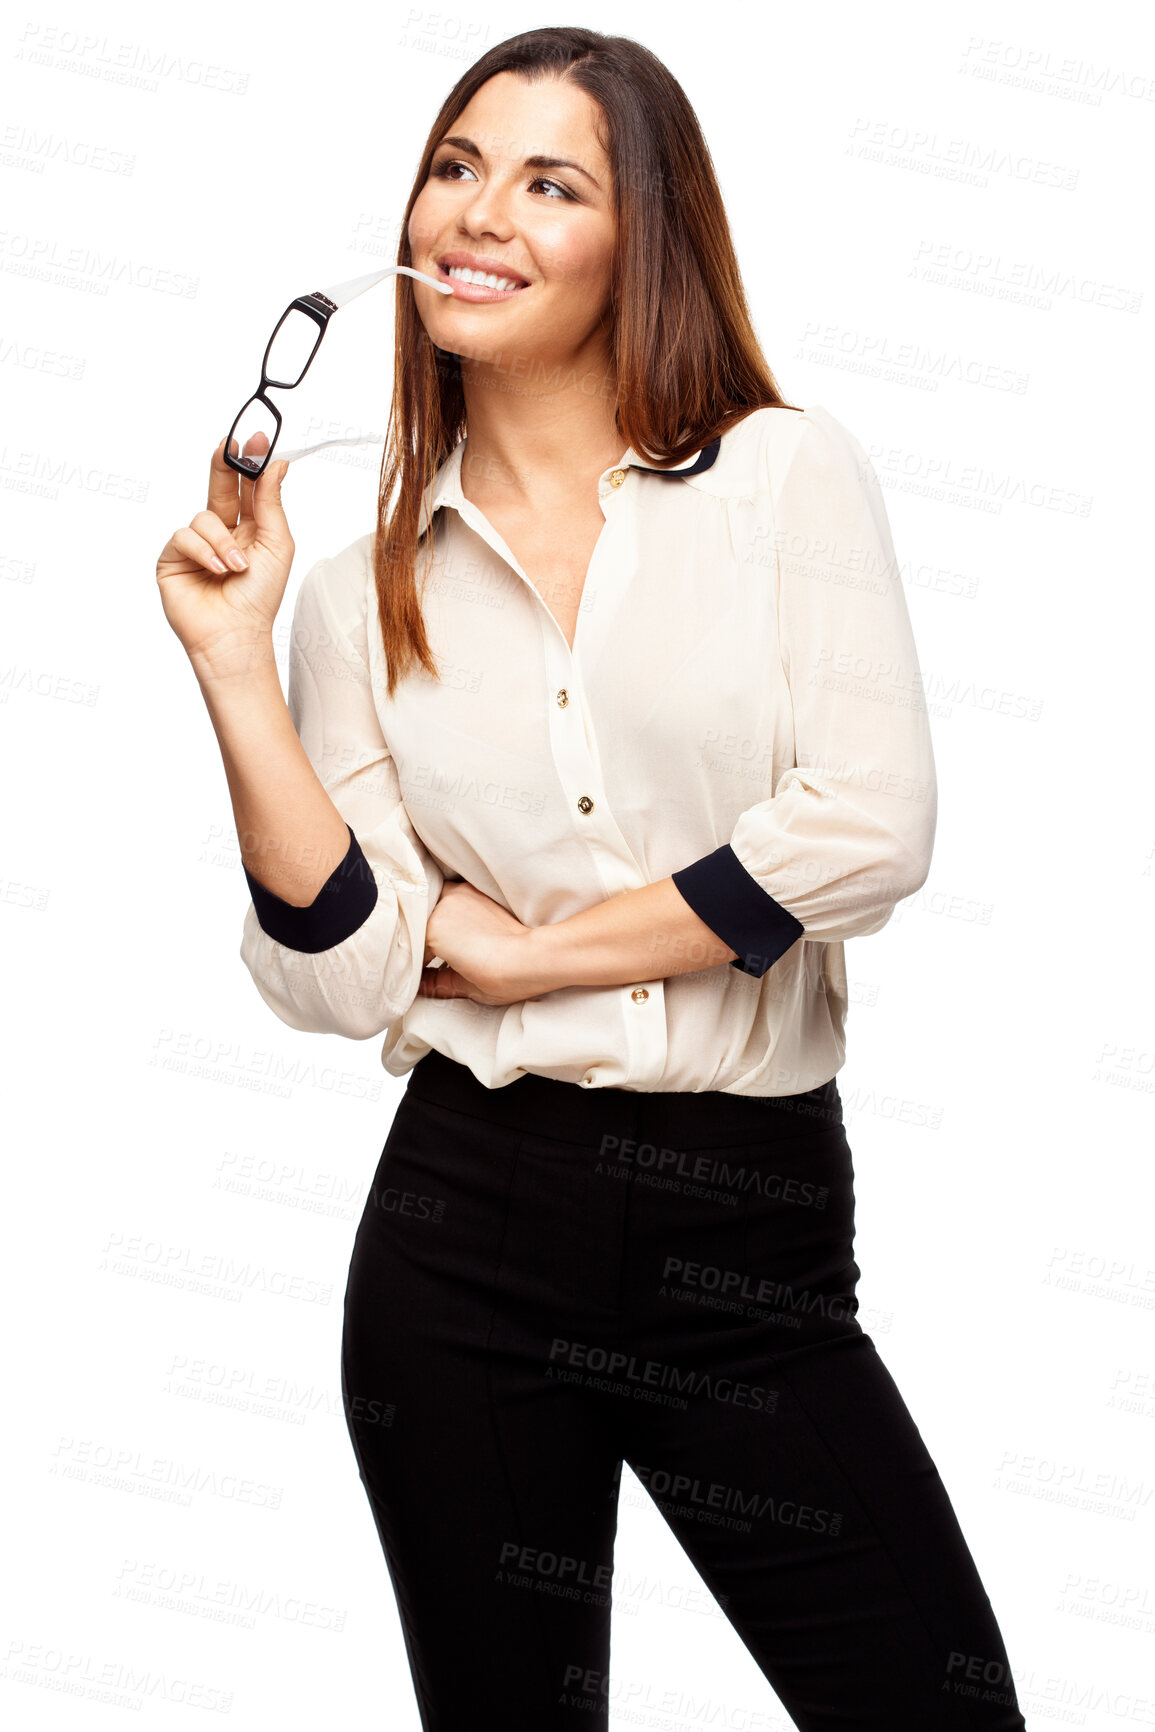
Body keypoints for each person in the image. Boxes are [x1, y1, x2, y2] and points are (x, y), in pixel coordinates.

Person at [156, 25, 1028, 1732]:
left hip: (747, 1230)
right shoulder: (349, 594)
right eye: (458, 165)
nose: (480, 214)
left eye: (551, 182)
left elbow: (867, 830)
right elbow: (342, 974)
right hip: (464, 1231)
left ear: (645, 239)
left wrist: (518, 956)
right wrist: (237, 666)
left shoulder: (783, 476)